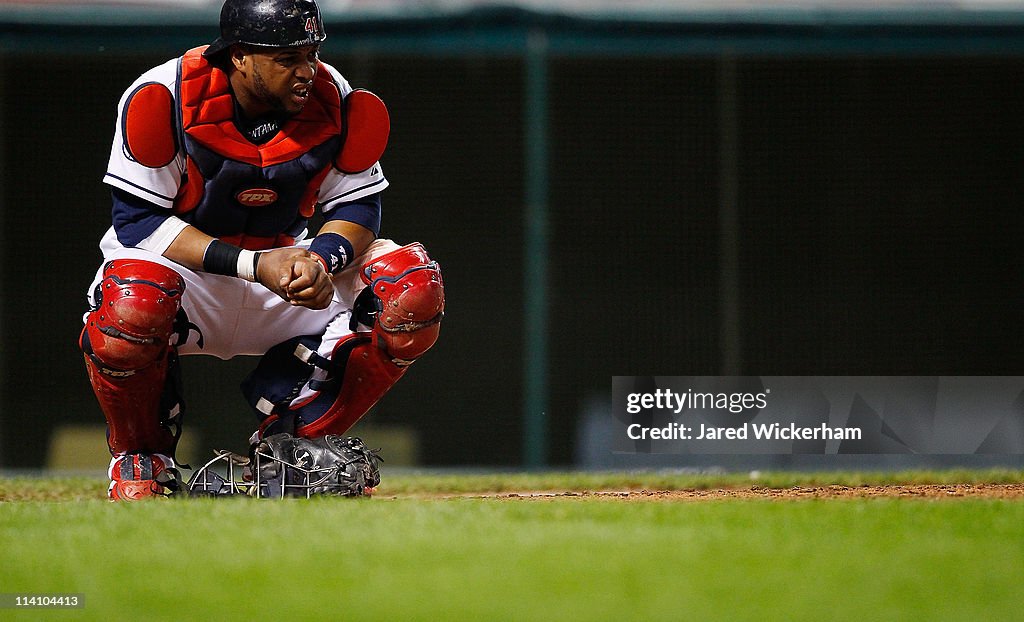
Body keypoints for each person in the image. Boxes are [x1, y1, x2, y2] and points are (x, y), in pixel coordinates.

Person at [79, 0, 445, 500]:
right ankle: (142, 457)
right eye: (286, 59)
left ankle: (297, 444)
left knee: (409, 286)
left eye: (311, 54)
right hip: (187, 279)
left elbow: (360, 210)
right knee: (135, 302)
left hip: (284, 276)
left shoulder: (333, 96)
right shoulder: (163, 94)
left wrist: (322, 260)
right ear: (238, 56)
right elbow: (137, 221)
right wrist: (253, 265)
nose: (306, 71)